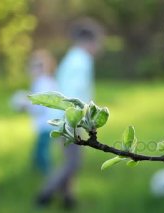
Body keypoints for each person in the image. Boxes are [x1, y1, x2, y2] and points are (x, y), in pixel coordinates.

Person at [36, 18, 104, 209]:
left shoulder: (73, 57)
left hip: (63, 116)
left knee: (71, 160)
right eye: (98, 42)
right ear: (89, 41)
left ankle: (68, 199)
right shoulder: (81, 61)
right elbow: (75, 92)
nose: (99, 48)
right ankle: (45, 195)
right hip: (69, 119)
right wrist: (82, 119)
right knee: (73, 163)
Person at [28, 49, 58, 175]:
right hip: (50, 122)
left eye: (39, 66)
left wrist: (24, 105)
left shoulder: (42, 83)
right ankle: (36, 170)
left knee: (42, 151)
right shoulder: (47, 81)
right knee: (39, 149)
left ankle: (48, 174)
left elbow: (40, 106)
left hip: (47, 123)